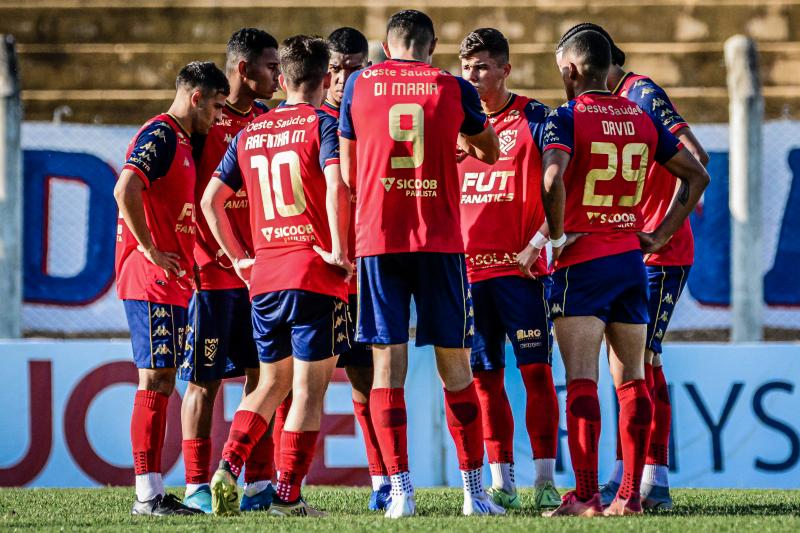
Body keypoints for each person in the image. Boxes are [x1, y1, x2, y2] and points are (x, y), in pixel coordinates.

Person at [338, 9, 503, 518]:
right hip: (440, 241)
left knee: (388, 368)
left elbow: (345, 171)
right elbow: (491, 151)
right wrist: (456, 146)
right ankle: (474, 494)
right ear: (432, 47)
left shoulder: (359, 84)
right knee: (456, 366)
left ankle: (401, 493)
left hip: (378, 240)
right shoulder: (451, 87)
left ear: (387, 48)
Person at [540, 29, 709, 516]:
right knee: (633, 379)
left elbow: (553, 177)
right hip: (631, 259)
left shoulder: (566, 118)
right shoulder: (638, 115)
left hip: (583, 263)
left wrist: (554, 237)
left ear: (571, 70)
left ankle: (589, 494)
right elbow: (697, 172)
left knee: (581, 381)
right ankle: (632, 496)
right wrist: (659, 235)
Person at [204, 34, 352, 518]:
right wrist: (337, 249)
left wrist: (240, 258)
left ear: (282, 78)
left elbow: (210, 202)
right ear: (327, 78)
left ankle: (227, 465)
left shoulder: (251, 132)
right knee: (308, 391)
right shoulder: (323, 123)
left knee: (270, 384)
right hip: (313, 272)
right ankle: (288, 497)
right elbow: (335, 185)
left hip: (264, 275)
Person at [114, 61, 228, 516]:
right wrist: (150, 249)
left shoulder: (182, 140)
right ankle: (148, 494)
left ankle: (153, 490)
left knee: (161, 381)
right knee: (156, 379)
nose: (219, 118)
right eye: (216, 107)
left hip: (170, 283)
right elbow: (125, 190)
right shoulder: (161, 134)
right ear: (196, 97)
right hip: (151, 281)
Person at [457, 27, 560, 511]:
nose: (473, 77)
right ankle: (502, 481)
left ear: (505, 69)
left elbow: (562, 186)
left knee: (537, 373)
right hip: (469, 275)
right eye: (466, 68)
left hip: (522, 273)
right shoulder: (453, 124)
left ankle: (544, 479)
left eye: (481, 67)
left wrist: (540, 241)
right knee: (484, 380)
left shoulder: (537, 117)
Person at [178, 28, 280, 514]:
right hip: (213, 275)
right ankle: (197, 485)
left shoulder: (266, 121)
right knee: (204, 380)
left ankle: (260, 486)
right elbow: (186, 195)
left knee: (261, 377)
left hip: (261, 275)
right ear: (244, 69)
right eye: (270, 67)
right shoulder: (200, 127)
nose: (278, 77)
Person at [319, 26, 392, 511]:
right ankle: (275, 483)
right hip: (321, 269)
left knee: (367, 375)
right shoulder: (310, 120)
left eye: (354, 66)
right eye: (338, 68)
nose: (345, 77)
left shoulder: (375, 115)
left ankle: (383, 479)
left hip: (368, 265)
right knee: (295, 380)